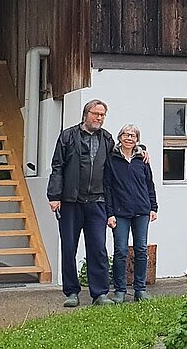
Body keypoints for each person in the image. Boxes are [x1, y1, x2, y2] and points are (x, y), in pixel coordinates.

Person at [47, 99, 116, 307]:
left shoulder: (107, 139)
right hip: (71, 202)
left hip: (97, 201)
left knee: (98, 248)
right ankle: (71, 292)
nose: (99, 118)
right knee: (69, 247)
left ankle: (100, 294)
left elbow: (120, 159)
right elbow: (57, 166)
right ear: (86, 114)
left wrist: (141, 150)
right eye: (96, 114)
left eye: (102, 115)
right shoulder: (68, 136)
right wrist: (54, 195)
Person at [105, 124, 159, 303]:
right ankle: (120, 291)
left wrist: (153, 207)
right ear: (120, 137)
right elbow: (108, 187)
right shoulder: (112, 159)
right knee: (120, 251)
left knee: (141, 250)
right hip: (120, 212)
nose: (129, 138)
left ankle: (140, 290)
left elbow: (149, 184)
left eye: (133, 136)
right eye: (126, 135)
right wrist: (109, 213)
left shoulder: (142, 159)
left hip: (141, 211)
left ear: (137, 140)